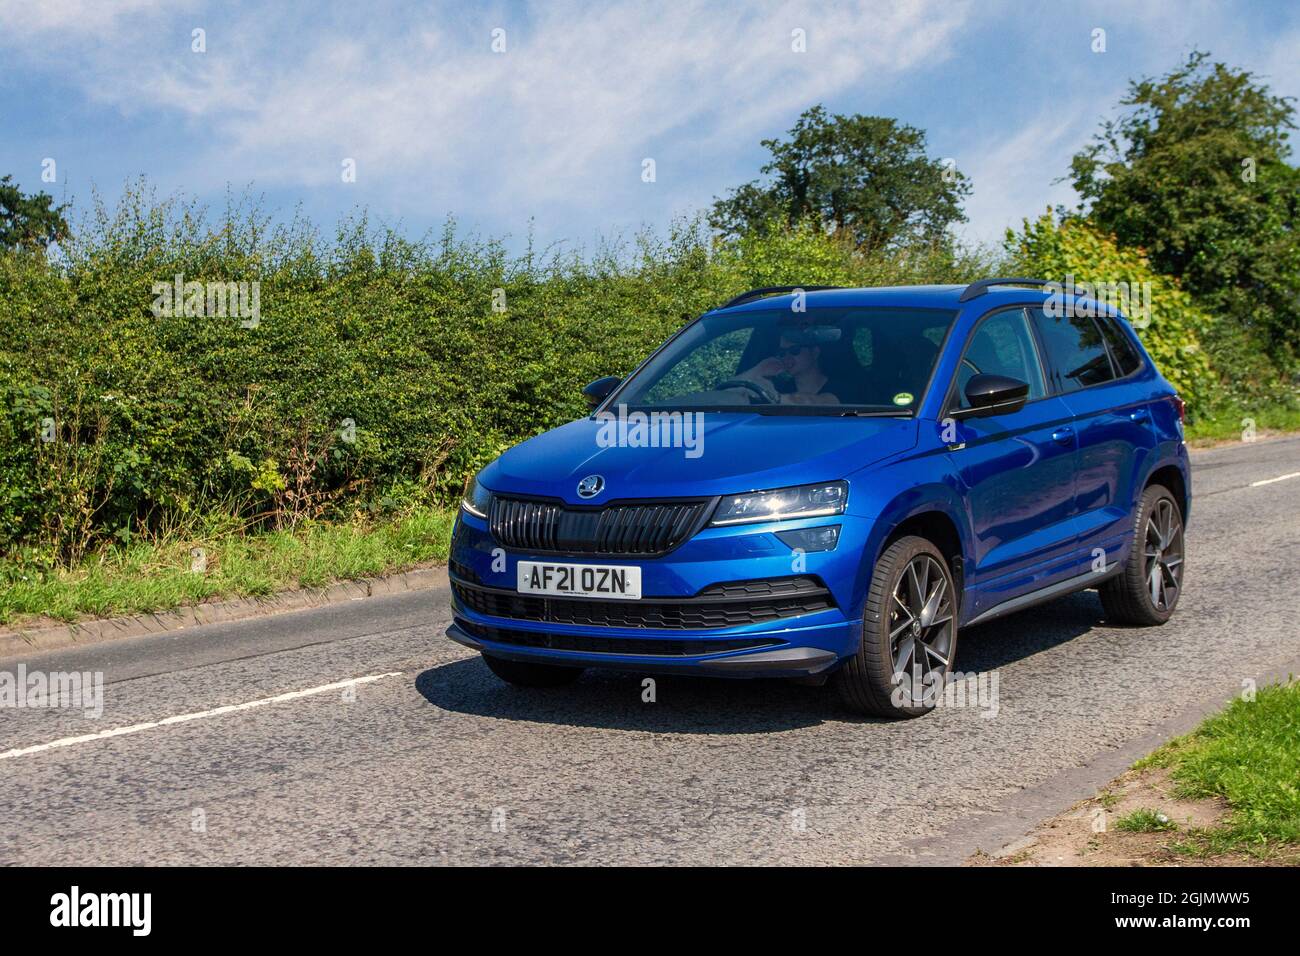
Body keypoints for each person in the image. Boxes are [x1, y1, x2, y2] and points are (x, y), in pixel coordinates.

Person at [736, 336, 841, 404]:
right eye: (782, 352)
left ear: (815, 352)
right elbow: (724, 394)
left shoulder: (842, 388)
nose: (786, 357)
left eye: (794, 350)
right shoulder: (780, 388)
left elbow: (820, 402)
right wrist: (758, 369)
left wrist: (772, 397)